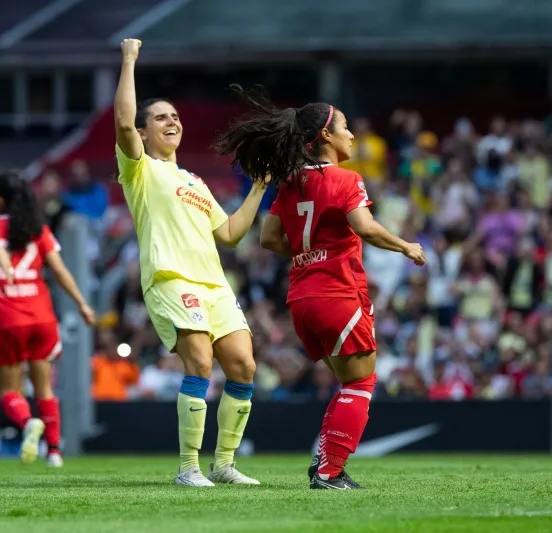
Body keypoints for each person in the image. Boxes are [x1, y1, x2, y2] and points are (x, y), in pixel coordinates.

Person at [215, 86, 425, 489]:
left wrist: (309, 251)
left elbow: (269, 239)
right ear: (326, 136)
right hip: (338, 292)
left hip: (302, 298)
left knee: (349, 383)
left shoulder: (290, 184)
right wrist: (404, 246)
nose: (351, 135)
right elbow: (363, 227)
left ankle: (326, 466)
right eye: (345, 127)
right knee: (362, 383)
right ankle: (329, 472)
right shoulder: (347, 179)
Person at [115, 39, 267, 487]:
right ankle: (188, 468)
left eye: (175, 116)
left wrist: (258, 189)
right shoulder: (139, 169)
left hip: (213, 284)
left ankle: (223, 464)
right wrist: (129, 60)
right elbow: (123, 120)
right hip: (169, 277)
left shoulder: (195, 181)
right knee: (199, 360)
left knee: (243, 365)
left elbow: (230, 234)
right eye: (161, 117)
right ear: (143, 133)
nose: (172, 121)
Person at [0, 173, 96, 467]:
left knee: (9, 390)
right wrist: (82, 304)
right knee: (45, 388)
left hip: (7, 318)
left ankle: (28, 423)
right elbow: (60, 271)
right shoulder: (38, 230)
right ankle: (54, 451)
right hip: (41, 317)